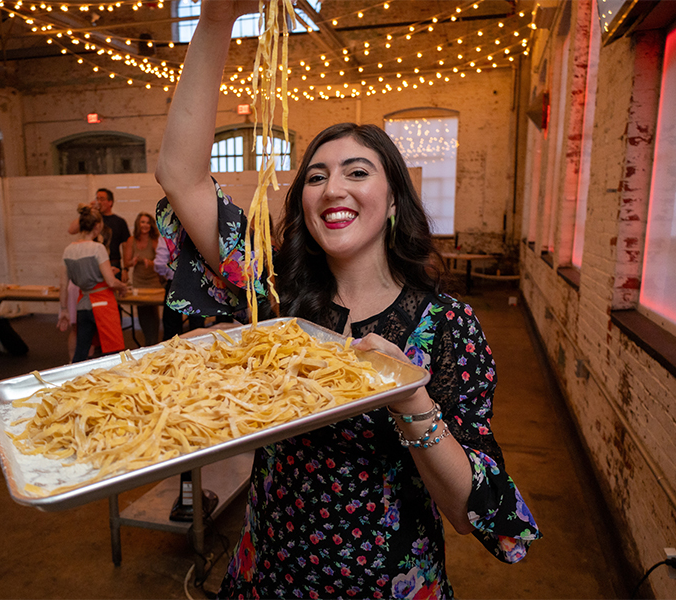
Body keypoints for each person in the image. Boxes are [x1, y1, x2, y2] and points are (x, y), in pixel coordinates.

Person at [154, 2, 541, 598]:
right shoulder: (276, 295)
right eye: (315, 176)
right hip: (270, 573)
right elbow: (181, 175)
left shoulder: (445, 326)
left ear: (392, 200)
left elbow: (469, 511)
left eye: (357, 172)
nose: (332, 187)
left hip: (384, 581)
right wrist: (214, 19)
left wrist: (407, 395)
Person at [58, 204, 127, 363]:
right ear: (97, 226)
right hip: (103, 303)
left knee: (81, 352)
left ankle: (75, 384)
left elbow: (63, 285)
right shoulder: (98, 248)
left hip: (82, 304)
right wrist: (122, 286)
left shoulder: (68, 250)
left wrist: (64, 310)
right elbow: (110, 281)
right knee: (113, 352)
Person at [69, 189, 131, 280]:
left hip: (113, 263)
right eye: (97, 199)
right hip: (93, 262)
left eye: (102, 199)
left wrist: (125, 269)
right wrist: (88, 211)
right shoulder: (92, 219)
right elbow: (71, 230)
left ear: (110, 202)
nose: (99, 202)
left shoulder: (119, 222)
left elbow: (126, 246)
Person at [124, 212, 164, 346]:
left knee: (153, 311)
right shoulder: (131, 240)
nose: (145, 225)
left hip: (153, 280)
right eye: (142, 222)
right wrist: (133, 261)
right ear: (138, 224)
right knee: (142, 311)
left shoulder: (155, 240)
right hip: (139, 280)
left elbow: (162, 261)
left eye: (147, 222)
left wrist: (150, 262)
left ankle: (154, 341)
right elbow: (126, 262)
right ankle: (148, 341)